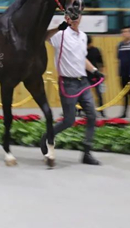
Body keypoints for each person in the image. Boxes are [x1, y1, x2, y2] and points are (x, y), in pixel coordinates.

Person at [44, 16, 104, 165]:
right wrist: (58, 28)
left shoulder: (83, 36)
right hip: (68, 83)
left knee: (92, 115)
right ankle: (47, 136)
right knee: (69, 121)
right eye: (72, 16)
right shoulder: (60, 35)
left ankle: (86, 153)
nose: (76, 19)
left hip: (83, 82)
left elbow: (82, 58)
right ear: (67, 17)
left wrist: (94, 70)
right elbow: (44, 36)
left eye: (78, 16)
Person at [86, 36, 105, 118]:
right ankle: (80, 110)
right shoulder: (82, 51)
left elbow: (101, 63)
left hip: (95, 75)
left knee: (99, 94)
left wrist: (102, 73)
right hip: (84, 75)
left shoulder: (96, 50)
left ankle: (102, 111)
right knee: (83, 94)